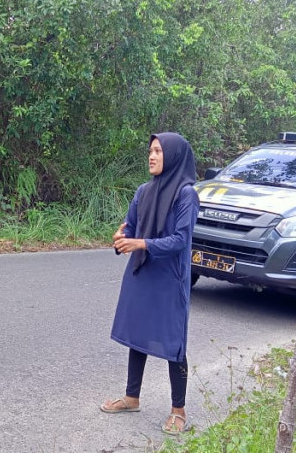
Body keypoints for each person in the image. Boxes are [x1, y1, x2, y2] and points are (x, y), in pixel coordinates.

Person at [100, 132, 199, 435]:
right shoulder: (143, 191)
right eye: (150, 151)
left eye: (158, 151)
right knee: (137, 335)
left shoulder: (186, 194)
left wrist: (140, 242)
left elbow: (181, 240)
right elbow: (129, 228)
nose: (152, 156)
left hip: (169, 278)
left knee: (173, 342)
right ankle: (132, 398)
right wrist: (119, 241)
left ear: (173, 156)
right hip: (142, 272)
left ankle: (178, 410)